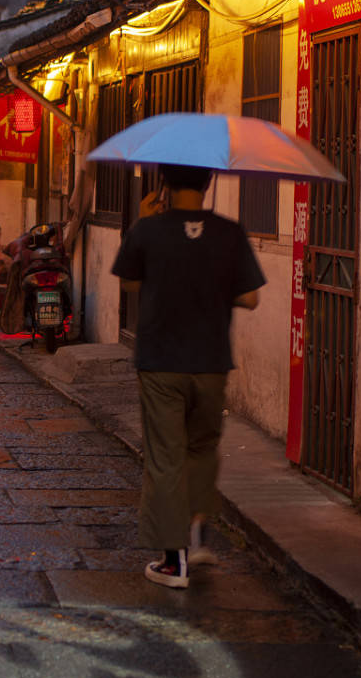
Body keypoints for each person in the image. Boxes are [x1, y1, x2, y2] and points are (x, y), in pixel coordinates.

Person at [111, 163, 266, 589]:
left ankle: (172, 561)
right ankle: (197, 534)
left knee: (166, 457)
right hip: (211, 362)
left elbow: (128, 283)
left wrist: (146, 225)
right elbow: (250, 298)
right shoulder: (229, 232)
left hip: (162, 360)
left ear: (164, 184)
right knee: (201, 449)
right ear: (208, 183)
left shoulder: (148, 230)